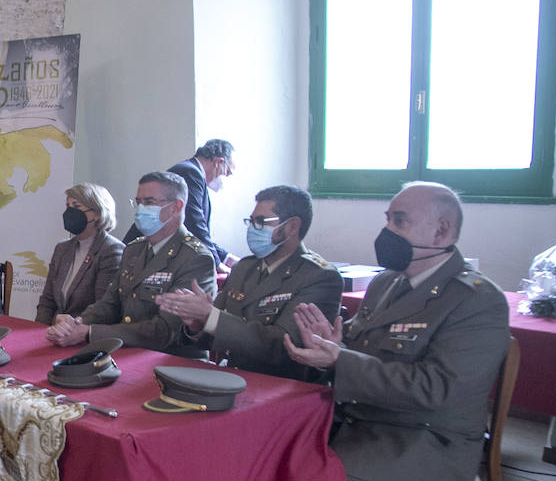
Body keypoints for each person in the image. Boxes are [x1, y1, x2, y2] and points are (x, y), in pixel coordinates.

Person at [283, 182, 510, 481]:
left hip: (425, 447)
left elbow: (436, 390)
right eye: (387, 219)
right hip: (361, 426)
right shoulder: (386, 282)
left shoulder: (476, 300)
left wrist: (339, 359)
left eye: (400, 221)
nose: (387, 230)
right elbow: (355, 348)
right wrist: (329, 343)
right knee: (264, 455)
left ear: (441, 231)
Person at [155, 184, 342, 380]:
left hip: (281, 387)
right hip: (234, 379)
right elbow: (214, 335)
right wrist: (197, 324)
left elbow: (282, 347)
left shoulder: (318, 277)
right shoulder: (245, 268)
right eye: (251, 221)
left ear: (292, 226)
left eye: (261, 222)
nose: (253, 229)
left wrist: (211, 317)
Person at [47, 171, 215, 351]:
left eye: (149, 202)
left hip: (171, 362)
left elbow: (165, 330)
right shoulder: (134, 250)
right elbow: (110, 303)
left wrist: (89, 332)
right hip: (127, 351)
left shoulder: (195, 259)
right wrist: (77, 323)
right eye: (138, 202)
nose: (141, 209)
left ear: (176, 207)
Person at [123, 138, 236, 268]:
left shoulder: (193, 172)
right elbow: (195, 225)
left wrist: (225, 257)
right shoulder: (190, 173)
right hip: (144, 254)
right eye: (228, 172)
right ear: (218, 162)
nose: (226, 177)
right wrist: (215, 264)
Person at [35, 182, 124, 324]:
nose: (70, 212)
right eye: (67, 206)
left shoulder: (111, 250)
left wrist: (70, 327)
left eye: (76, 206)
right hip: (54, 331)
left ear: (98, 213)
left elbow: (103, 309)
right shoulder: (62, 248)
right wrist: (38, 331)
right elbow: (47, 300)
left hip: (85, 334)